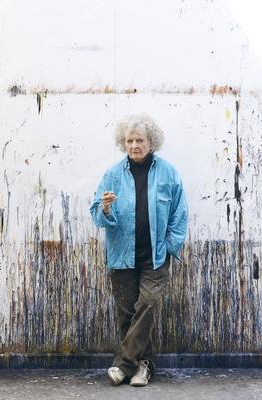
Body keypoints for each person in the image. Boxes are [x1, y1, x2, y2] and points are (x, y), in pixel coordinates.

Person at [90, 113, 188, 387]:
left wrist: (170, 246)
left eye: (140, 140)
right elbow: (96, 214)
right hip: (122, 254)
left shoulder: (168, 173)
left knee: (148, 304)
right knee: (127, 314)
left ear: (151, 142)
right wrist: (106, 208)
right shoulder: (112, 174)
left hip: (155, 256)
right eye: (130, 140)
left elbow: (180, 213)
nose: (135, 145)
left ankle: (122, 364)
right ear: (124, 143)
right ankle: (142, 368)